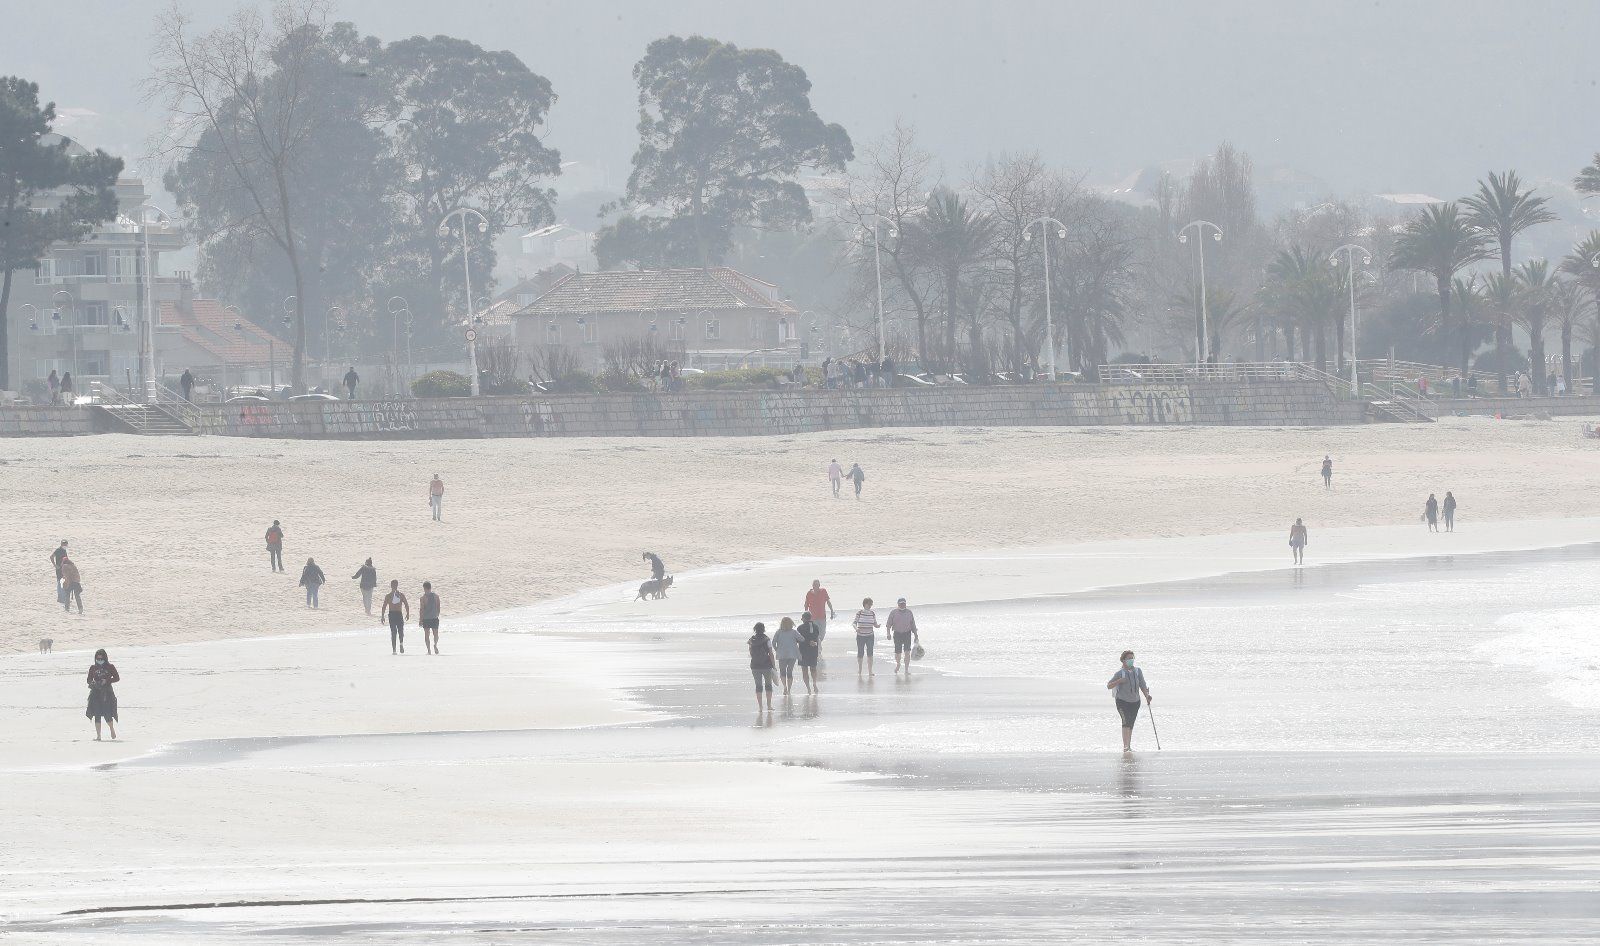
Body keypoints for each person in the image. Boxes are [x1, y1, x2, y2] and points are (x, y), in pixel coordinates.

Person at [1106, 650, 1152, 752]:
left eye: (1132, 658)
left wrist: (1147, 696)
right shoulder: (1119, 673)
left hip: (1135, 702)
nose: (1131, 660)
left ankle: (1129, 746)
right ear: (1123, 660)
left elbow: (1143, 685)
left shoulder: (1137, 671)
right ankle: (1125, 747)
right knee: (1125, 722)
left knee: (1131, 723)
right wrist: (1119, 681)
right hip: (1122, 701)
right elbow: (1109, 686)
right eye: (1129, 658)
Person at [86, 649, 120, 741]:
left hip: (107, 692)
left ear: (105, 658)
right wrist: (92, 682)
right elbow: (88, 679)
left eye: (101, 658)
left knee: (107, 713)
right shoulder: (93, 668)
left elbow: (117, 678)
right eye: (98, 658)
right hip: (95, 692)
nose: (99, 660)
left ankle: (112, 729)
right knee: (97, 714)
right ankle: (98, 736)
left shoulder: (110, 667)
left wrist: (107, 680)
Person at [748, 622, 776, 711]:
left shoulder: (751, 640)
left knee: (758, 686)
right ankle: (769, 705)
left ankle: (760, 707)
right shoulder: (767, 639)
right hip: (766, 665)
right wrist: (774, 665)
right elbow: (771, 653)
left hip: (755, 666)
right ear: (763, 629)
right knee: (768, 685)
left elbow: (751, 653)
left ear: (755, 629)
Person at [886, 597, 919, 674]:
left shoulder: (909, 612)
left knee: (907, 652)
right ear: (898, 604)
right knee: (898, 652)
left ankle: (906, 670)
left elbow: (913, 624)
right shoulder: (893, 612)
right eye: (901, 604)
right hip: (897, 634)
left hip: (907, 633)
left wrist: (916, 635)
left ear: (905, 604)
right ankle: (898, 664)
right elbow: (888, 624)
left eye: (904, 603)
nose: (902, 605)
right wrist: (888, 633)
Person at [772, 616, 804, 696]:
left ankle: (785, 687)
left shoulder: (778, 632)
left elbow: (773, 643)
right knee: (790, 672)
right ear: (791, 623)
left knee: (782, 672)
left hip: (782, 654)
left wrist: (777, 650)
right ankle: (789, 690)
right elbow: (802, 639)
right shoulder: (794, 632)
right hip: (792, 654)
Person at [797, 611, 823, 695]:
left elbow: (798, 639)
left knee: (804, 670)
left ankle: (808, 688)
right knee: (813, 669)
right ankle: (814, 683)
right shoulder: (815, 626)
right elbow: (816, 637)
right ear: (810, 618)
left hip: (803, 651)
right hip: (813, 650)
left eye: (802, 618)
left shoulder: (800, 628)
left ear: (804, 618)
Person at [853, 597, 879, 677]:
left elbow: (875, 624)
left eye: (871, 604)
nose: (870, 606)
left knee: (870, 653)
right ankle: (860, 669)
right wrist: (856, 628)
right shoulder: (859, 613)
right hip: (860, 636)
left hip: (870, 635)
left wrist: (877, 626)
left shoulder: (872, 613)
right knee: (860, 653)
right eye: (869, 604)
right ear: (865, 604)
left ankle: (870, 671)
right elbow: (854, 623)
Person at [381, 579, 410, 654]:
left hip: (398, 614)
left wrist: (408, 613)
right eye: (393, 585)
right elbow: (384, 606)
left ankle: (400, 644)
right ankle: (394, 649)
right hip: (392, 614)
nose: (394, 586)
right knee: (394, 632)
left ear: (397, 585)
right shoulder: (389, 596)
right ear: (391, 586)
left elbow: (406, 604)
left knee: (400, 631)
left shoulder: (400, 595)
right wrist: (382, 616)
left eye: (395, 585)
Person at [419, 581, 442, 655]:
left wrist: (420, 620)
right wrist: (436, 614)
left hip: (426, 618)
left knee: (427, 635)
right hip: (434, 617)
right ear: (430, 587)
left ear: (424, 588)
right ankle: (435, 645)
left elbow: (422, 609)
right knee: (436, 634)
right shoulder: (436, 596)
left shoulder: (423, 598)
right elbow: (438, 607)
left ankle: (429, 650)